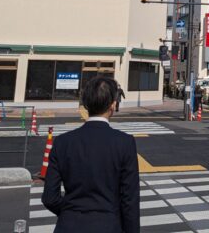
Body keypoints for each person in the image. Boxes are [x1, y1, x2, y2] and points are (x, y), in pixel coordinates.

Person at [42, 77, 139, 233]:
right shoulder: (125, 143)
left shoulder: (62, 142)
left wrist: (69, 213)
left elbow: (49, 198)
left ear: (86, 105)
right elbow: (130, 202)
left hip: (68, 226)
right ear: (113, 104)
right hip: (108, 225)